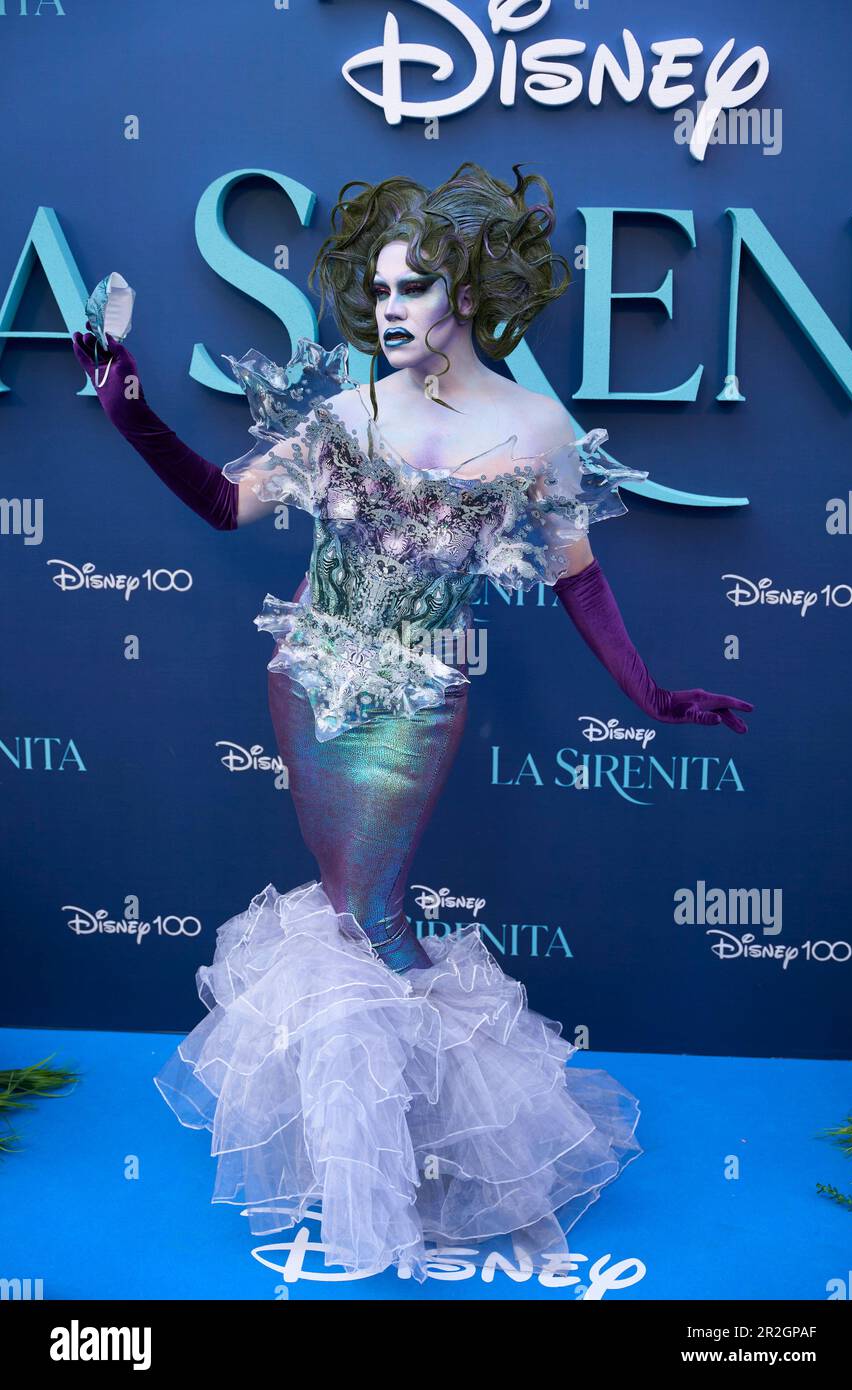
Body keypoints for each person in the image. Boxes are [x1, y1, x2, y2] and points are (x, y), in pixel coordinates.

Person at [72, 162, 753, 1281]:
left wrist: (648, 691)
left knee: (376, 913)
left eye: (415, 287)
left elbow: (577, 576)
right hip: (305, 681)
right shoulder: (344, 414)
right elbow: (226, 503)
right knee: (347, 918)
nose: (389, 310)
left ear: (469, 297)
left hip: (416, 705)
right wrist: (133, 415)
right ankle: (389, 1151)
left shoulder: (537, 429)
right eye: (378, 291)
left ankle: (409, 1158)